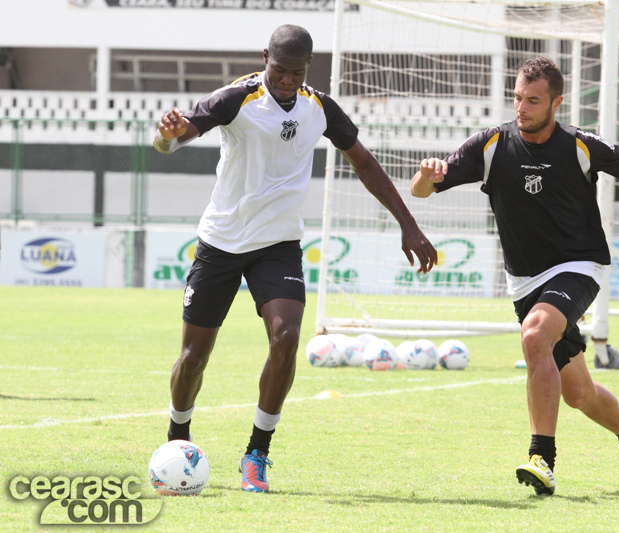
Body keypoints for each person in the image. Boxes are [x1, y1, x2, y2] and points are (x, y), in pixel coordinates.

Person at [153, 24, 437, 493]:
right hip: (221, 243)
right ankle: (177, 440)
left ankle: (257, 454)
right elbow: (173, 141)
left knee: (286, 339)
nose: (286, 81)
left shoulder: (319, 108)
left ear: (308, 68)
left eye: (296, 73)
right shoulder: (235, 98)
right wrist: (168, 135)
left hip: (278, 245)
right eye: (279, 70)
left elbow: (364, 163)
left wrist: (408, 223)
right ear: (265, 57)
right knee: (193, 359)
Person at [410, 56, 619, 496]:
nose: (522, 108)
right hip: (524, 282)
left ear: (556, 102)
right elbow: (421, 190)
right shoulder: (491, 144)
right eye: (517, 99)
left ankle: (542, 459)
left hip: (578, 266)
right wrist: (424, 175)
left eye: (533, 100)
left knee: (534, 336)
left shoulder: (579, 145)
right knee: (580, 394)